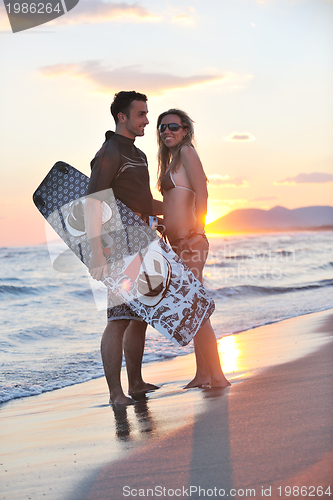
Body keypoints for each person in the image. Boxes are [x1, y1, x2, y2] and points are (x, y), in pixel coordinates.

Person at [85, 91, 163, 405]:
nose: (147, 120)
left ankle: (136, 382)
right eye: (141, 114)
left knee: (140, 315)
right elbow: (93, 202)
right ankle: (116, 394)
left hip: (143, 241)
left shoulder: (138, 154)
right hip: (117, 245)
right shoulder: (110, 152)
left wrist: (178, 209)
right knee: (118, 318)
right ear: (123, 117)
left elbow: (142, 202)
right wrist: (97, 253)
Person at [156, 109, 230, 389]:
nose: (166, 132)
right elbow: (175, 204)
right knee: (191, 309)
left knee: (195, 308)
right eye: (162, 128)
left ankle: (218, 376)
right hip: (175, 245)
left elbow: (203, 192)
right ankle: (202, 374)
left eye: (173, 126)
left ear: (185, 130)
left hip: (191, 242)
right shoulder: (172, 160)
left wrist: (198, 231)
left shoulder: (187, 152)